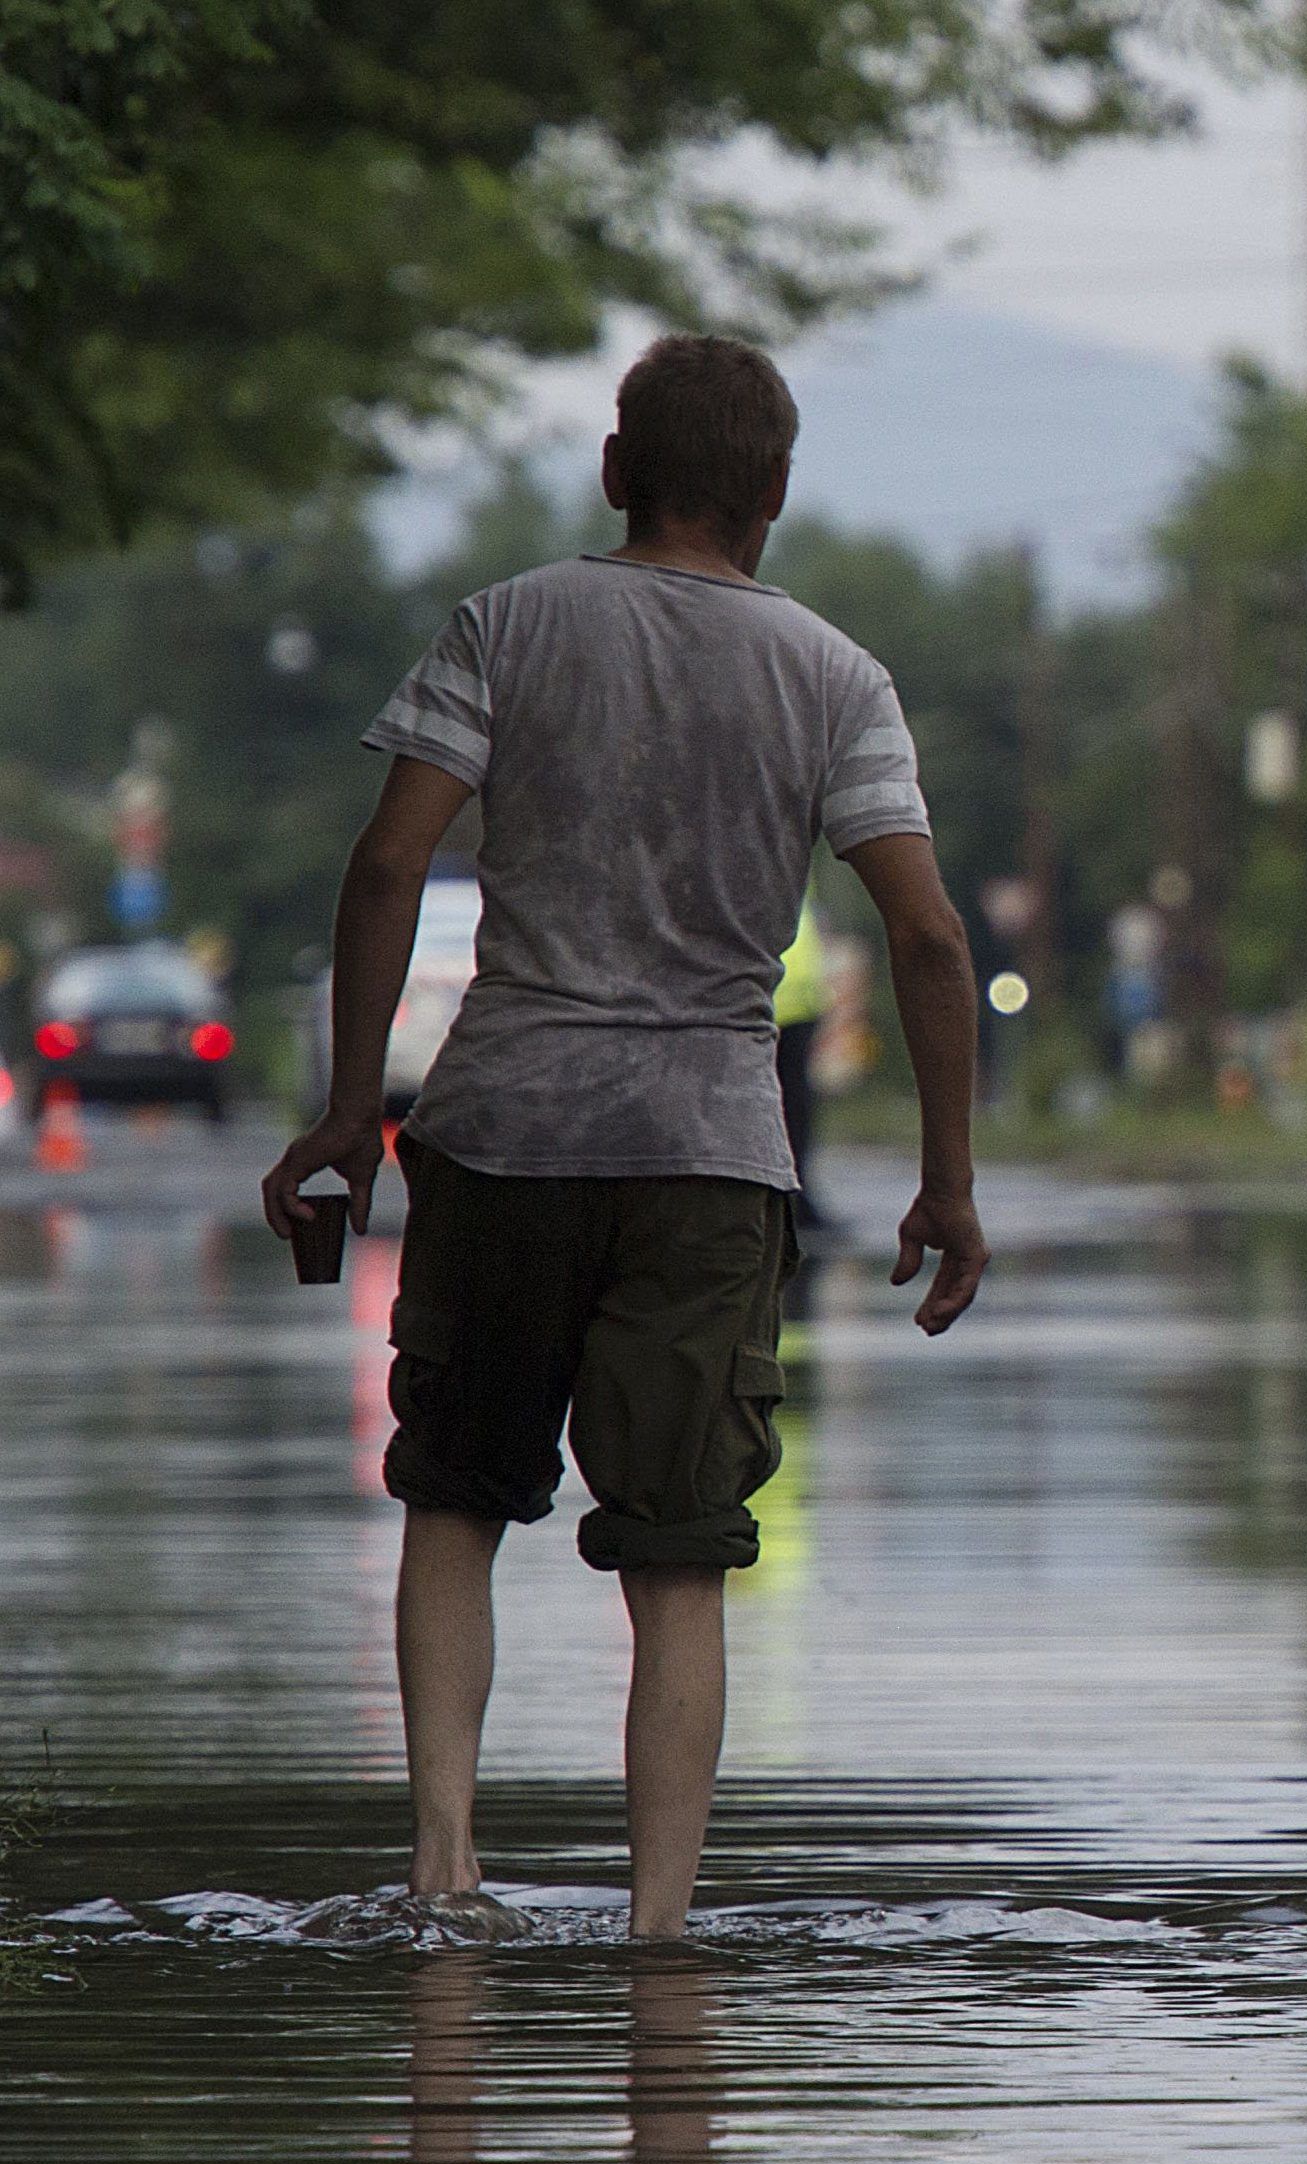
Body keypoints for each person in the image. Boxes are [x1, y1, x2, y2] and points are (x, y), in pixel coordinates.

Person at [260, 334, 990, 1944]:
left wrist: (343, 1107)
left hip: (503, 1126)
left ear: (613, 469)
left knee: (455, 1498)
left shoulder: (506, 626)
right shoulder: (836, 677)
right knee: (679, 1558)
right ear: (776, 497)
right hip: (712, 1156)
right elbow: (930, 939)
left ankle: (442, 1868)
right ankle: (662, 1927)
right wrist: (944, 1178)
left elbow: (387, 870)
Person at [772, 896, 833, 1231]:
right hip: (782, 993)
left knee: (794, 1106)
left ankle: (794, 1193)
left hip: (787, 994)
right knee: (794, 1106)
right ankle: (794, 1195)